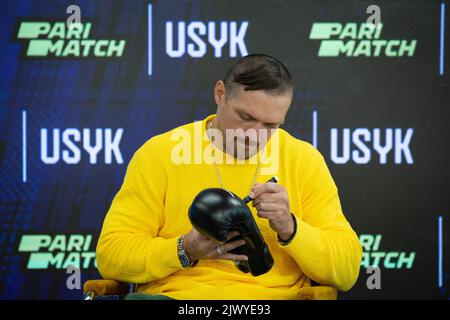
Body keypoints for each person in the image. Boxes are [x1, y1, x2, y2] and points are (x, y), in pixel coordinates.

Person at [96, 54, 362, 300]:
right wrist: (184, 249)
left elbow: (346, 270)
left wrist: (291, 227)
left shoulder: (303, 159)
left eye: (271, 125)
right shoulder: (160, 154)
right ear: (220, 93)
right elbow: (111, 255)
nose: (254, 134)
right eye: (246, 117)